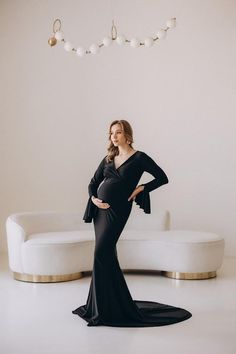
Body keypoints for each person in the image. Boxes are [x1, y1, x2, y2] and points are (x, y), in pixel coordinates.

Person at [72, 119, 192, 327]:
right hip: (100, 212)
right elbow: (93, 183)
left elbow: (162, 177)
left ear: (127, 134)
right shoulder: (109, 158)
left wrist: (142, 187)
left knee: (101, 252)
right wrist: (94, 199)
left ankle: (108, 307)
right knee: (106, 254)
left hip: (118, 211)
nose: (114, 136)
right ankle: (105, 306)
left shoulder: (139, 158)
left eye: (118, 132)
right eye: (111, 133)